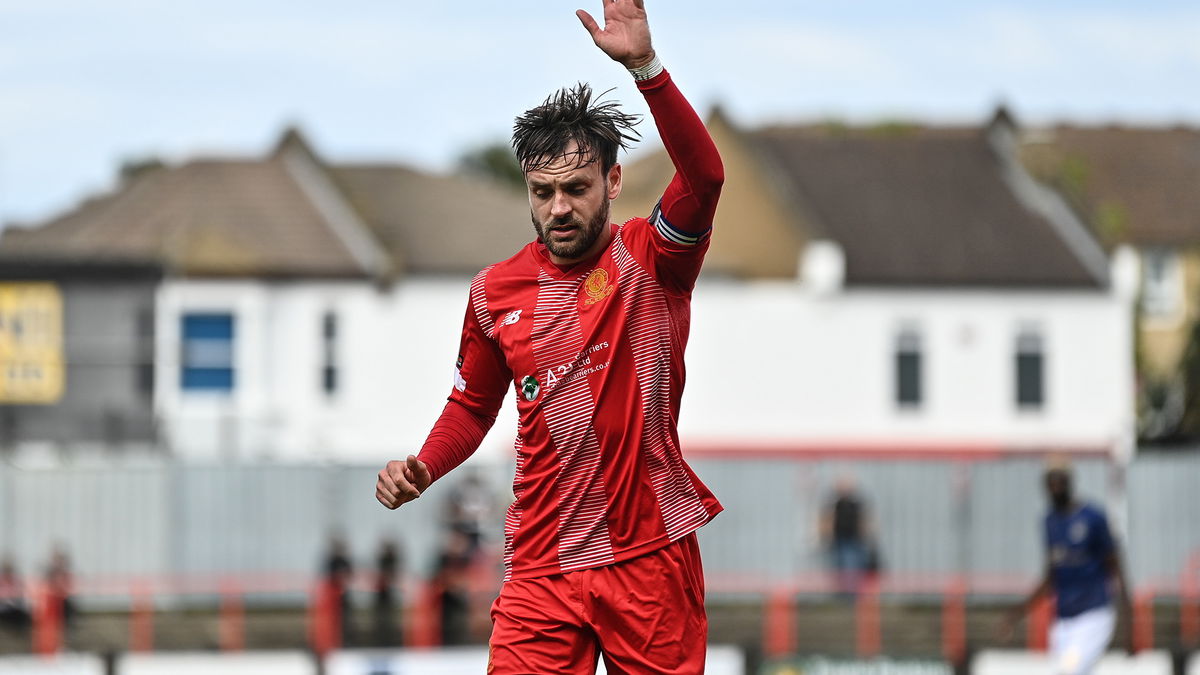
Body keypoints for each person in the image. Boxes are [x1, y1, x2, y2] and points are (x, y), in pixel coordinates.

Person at [375, 0, 724, 671]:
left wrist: (646, 69)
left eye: (575, 187)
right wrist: (424, 465)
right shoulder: (493, 292)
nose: (558, 206)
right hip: (542, 568)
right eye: (542, 191)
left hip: (647, 557)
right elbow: (473, 405)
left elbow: (705, 177)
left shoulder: (653, 260)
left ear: (613, 181)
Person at [1000, 459, 1133, 675]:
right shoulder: (1049, 521)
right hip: (1063, 621)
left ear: (1070, 482)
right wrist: (1018, 613)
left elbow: (1116, 568)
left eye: (1060, 481)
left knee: (1067, 671)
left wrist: (1129, 625)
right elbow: (1051, 576)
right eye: (1050, 483)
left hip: (1093, 616)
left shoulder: (1093, 518)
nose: (1055, 488)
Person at [819, 475, 878, 596]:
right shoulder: (835, 503)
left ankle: (853, 594)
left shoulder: (856, 503)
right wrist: (826, 537)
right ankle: (845, 594)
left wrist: (867, 537)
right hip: (840, 540)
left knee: (854, 566)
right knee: (842, 566)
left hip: (855, 540)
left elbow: (864, 521)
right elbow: (827, 521)